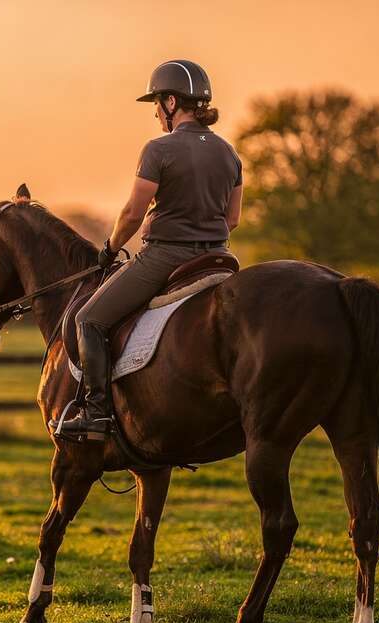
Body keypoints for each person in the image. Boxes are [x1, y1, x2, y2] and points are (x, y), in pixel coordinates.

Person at [54, 59, 244, 443]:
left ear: (172, 103)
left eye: (157, 103)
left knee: (88, 320)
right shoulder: (229, 153)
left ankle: (96, 415)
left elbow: (131, 213)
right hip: (218, 258)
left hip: (166, 256)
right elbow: (233, 219)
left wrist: (109, 249)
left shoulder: (159, 149)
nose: (156, 112)